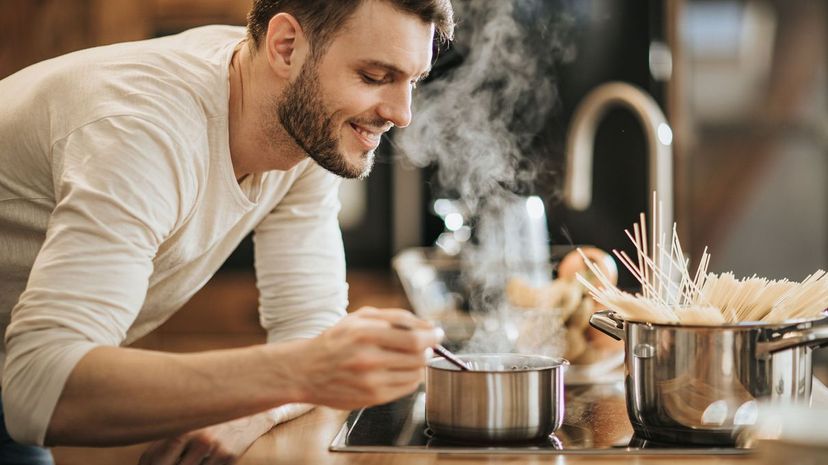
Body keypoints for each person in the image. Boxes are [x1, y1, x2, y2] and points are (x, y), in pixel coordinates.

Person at [0, 0, 454, 463]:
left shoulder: (305, 122)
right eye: (375, 77)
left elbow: (308, 324)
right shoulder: (143, 129)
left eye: (412, 81)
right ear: (286, 46)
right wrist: (304, 370)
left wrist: (250, 412)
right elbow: (41, 391)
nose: (402, 114)